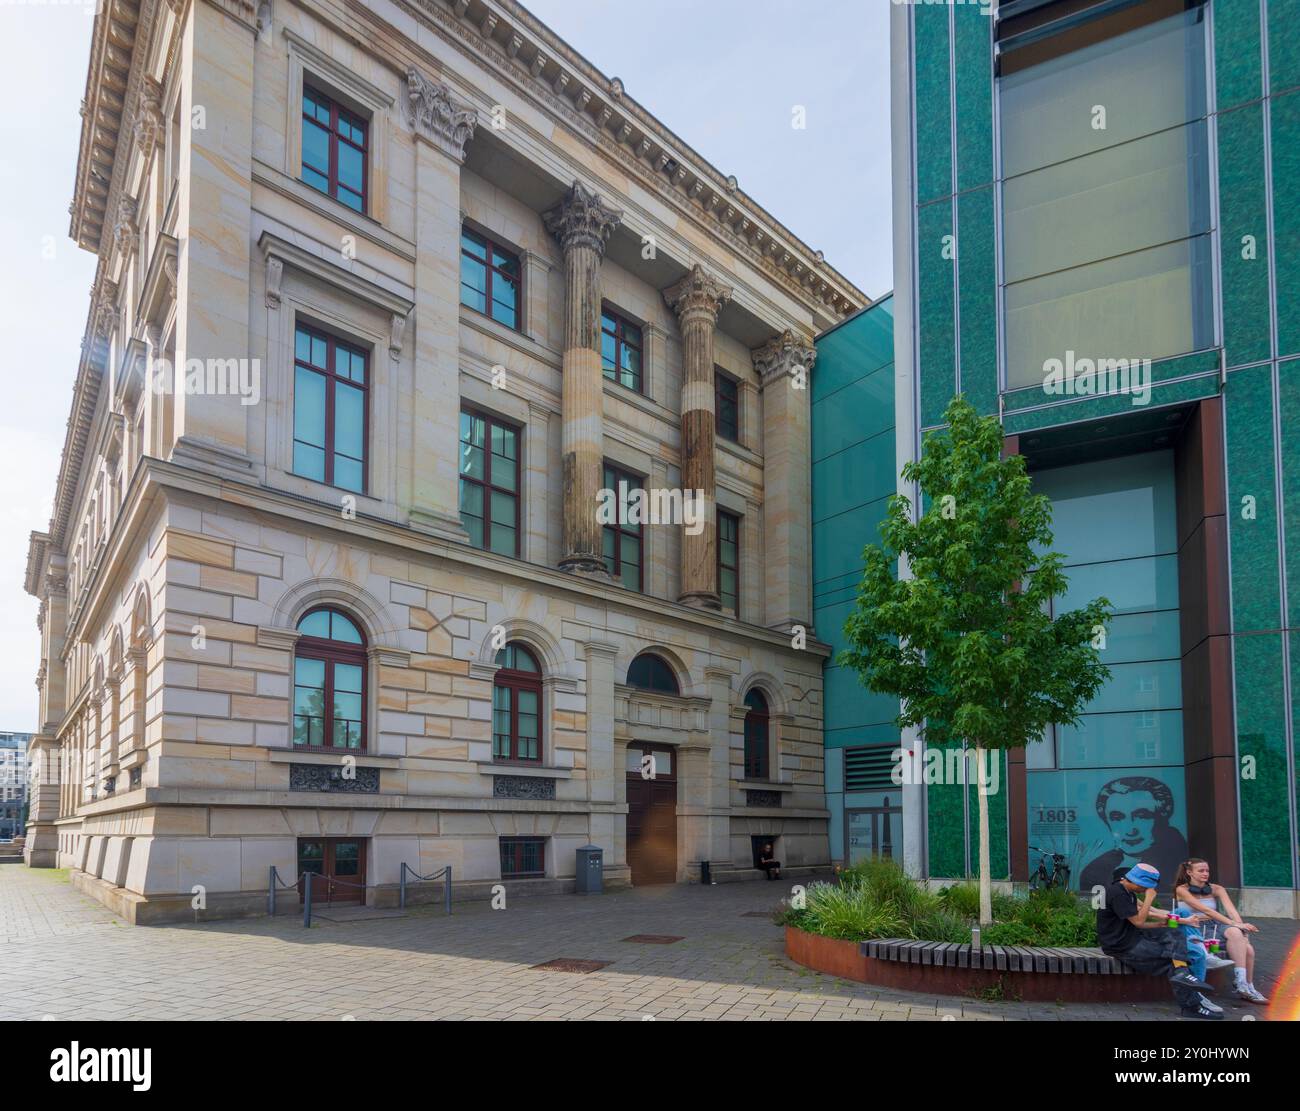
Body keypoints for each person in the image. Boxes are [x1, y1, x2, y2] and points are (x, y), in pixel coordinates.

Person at [1096, 862, 1220, 1019]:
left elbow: (1144, 919)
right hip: (1123, 946)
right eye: (1144, 887)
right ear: (1137, 882)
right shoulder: (1118, 893)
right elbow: (1139, 922)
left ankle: (1183, 975)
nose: (1144, 891)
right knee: (1171, 963)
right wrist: (1149, 898)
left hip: (1133, 937)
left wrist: (1160, 924)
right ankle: (1191, 1005)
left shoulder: (1124, 889)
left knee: (1173, 932)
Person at [1174, 858, 1268, 1005]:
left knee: (1242, 940)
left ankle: (1245, 984)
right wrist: (1234, 924)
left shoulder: (1217, 889)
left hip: (1216, 925)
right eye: (1201, 871)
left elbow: (1232, 911)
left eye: (1207, 870)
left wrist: (1242, 928)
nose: (1205, 873)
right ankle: (1245, 986)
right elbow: (1205, 910)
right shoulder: (1181, 889)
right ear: (1189, 872)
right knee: (1247, 949)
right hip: (1194, 928)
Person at [1080, 776, 1190, 892]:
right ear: (1106, 821)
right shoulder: (1095, 872)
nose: (1130, 830)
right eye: (1117, 818)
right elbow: (1096, 907)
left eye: (1141, 816)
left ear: (1162, 816)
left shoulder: (1179, 865)